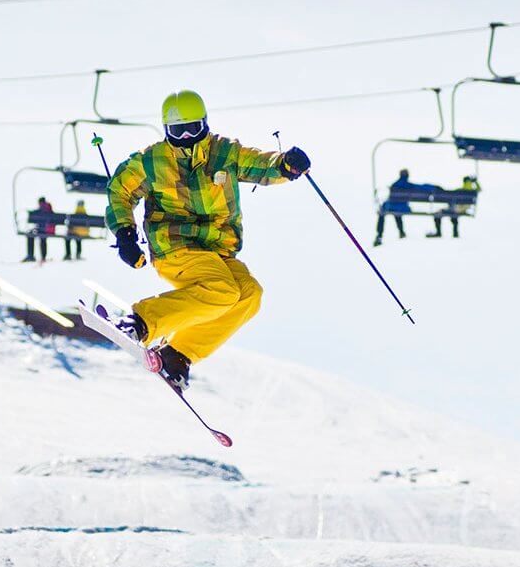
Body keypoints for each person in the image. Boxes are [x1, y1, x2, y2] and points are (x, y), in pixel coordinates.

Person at [105, 89, 310, 389]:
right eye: (178, 130)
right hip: (174, 246)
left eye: (194, 128)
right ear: (166, 130)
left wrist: (285, 166)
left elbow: (259, 164)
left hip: (218, 251)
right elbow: (120, 190)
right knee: (223, 291)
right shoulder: (151, 161)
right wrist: (125, 234)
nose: (187, 137)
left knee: (249, 295)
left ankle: (177, 354)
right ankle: (139, 322)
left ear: (205, 123)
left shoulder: (223, 153)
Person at [375, 168, 436, 246]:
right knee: (397, 211)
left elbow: (391, 199)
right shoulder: (409, 185)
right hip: (402, 208)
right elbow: (421, 187)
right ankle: (401, 232)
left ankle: (379, 235)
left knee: (386, 212)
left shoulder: (394, 185)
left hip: (392, 207)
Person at [431, 175, 479, 239]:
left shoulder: (461, 190)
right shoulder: (472, 190)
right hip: (462, 209)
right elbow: (479, 189)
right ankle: (455, 233)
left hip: (457, 208)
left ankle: (438, 232)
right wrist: (475, 182)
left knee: (438, 213)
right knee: (454, 214)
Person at [22, 196, 55, 263]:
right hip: (48, 230)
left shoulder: (41, 208)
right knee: (42, 238)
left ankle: (30, 255)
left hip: (43, 230)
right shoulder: (49, 208)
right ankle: (43, 257)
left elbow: (36, 216)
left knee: (30, 234)